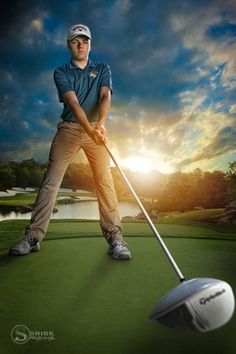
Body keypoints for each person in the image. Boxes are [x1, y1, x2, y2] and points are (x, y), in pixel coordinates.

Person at [9, 24, 131, 260]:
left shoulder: (103, 68)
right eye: (75, 41)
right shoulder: (61, 72)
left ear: (90, 44)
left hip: (97, 129)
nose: (80, 45)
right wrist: (90, 128)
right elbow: (74, 105)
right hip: (69, 130)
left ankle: (115, 239)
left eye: (84, 41)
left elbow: (105, 96)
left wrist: (101, 124)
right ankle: (33, 236)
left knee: (105, 182)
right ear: (69, 45)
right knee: (51, 181)